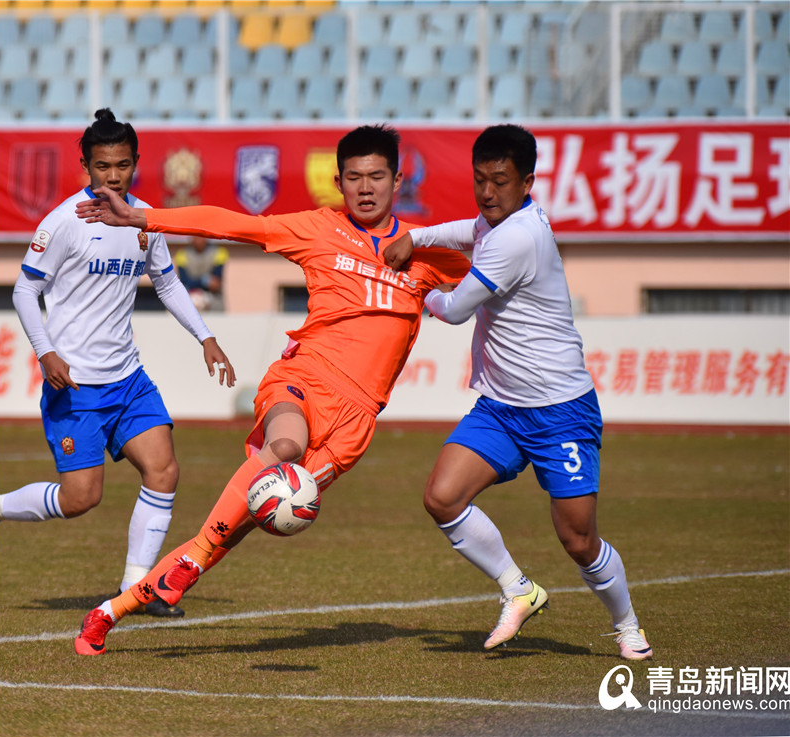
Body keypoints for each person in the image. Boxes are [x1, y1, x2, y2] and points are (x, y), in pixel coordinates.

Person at [71, 124, 470, 654]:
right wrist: (143, 218)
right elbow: (232, 224)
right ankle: (191, 559)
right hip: (303, 380)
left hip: (354, 422)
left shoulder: (425, 251)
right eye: (354, 177)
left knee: (248, 518)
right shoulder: (318, 229)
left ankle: (112, 610)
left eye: (377, 176)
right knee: (283, 449)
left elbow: (493, 275)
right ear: (338, 182)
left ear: (398, 181)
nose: (365, 187)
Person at [382, 124, 652, 661]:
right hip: (502, 408)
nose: (487, 192)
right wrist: (420, 237)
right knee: (442, 497)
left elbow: (455, 311)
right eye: (479, 179)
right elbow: (470, 229)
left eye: (500, 181)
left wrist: (420, 285)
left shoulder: (517, 237)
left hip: (561, 411)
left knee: (578, 540)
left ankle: (627, 626)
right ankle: (518, 588)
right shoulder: (501, 220)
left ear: (527, 182)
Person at [0, 109, 236, 619]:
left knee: (163, 470)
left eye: (122, 165)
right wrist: (46, 352)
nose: (113, 176)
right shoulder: (64, 222)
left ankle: (136, 590)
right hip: (76, 385)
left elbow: (167, 283)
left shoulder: (144, 220)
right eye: (102, 166)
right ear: (86, 166)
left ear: (136, 163)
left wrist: (206, 337)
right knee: (81, 499)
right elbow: (24, 291)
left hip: (128, 380)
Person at [174, 235, 229, 312]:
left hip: (214, 302)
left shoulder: (219, 252)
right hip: (190, 299)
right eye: (196, 236)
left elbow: (215, 284)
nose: (199, 240)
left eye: (201, 236)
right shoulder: (181, 254)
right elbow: (185, 282)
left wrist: (201, 282)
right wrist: (205, 280)